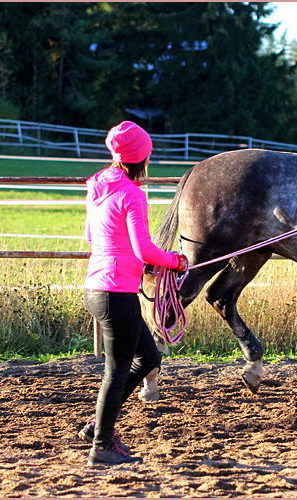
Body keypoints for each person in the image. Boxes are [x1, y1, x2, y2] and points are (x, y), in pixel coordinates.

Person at [79, 121, 188, 465]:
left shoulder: (97, 185)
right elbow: (144, 250)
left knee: (148, 358)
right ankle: (102, 446)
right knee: (116, 372)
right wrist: (174, 261)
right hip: (116, 294)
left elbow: (91, 237)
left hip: (99, 289)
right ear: (142, 159)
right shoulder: (132, 194)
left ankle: (98, 427)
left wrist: (135, 263)